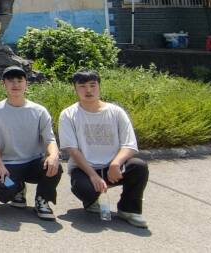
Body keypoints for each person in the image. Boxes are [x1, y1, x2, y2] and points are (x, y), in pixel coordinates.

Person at [60, 70, 150, 228]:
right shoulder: (68, 114)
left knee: (138, 166)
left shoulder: (116, 112)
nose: (88, 90)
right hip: (85, 169)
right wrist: (93, 175)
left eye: (92, 85)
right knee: (85, 189)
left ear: (99, 87)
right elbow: (72, 150)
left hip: (113, 168)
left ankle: (129, 209)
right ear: (75, 89)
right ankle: (92, 201)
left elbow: (129, 145)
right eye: (82, 86)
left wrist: (116, 164)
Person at [0, 66, 62, 221]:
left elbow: (49, 139)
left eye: (20, 80)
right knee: (2, 188)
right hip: (9, 166)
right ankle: (18, 188)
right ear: (3, 84)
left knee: (55, 167)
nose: (15, 84)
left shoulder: (39, 111)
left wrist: (54, 155)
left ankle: (42, 199)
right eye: (11, 81)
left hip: (34, 163)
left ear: (26, 84)